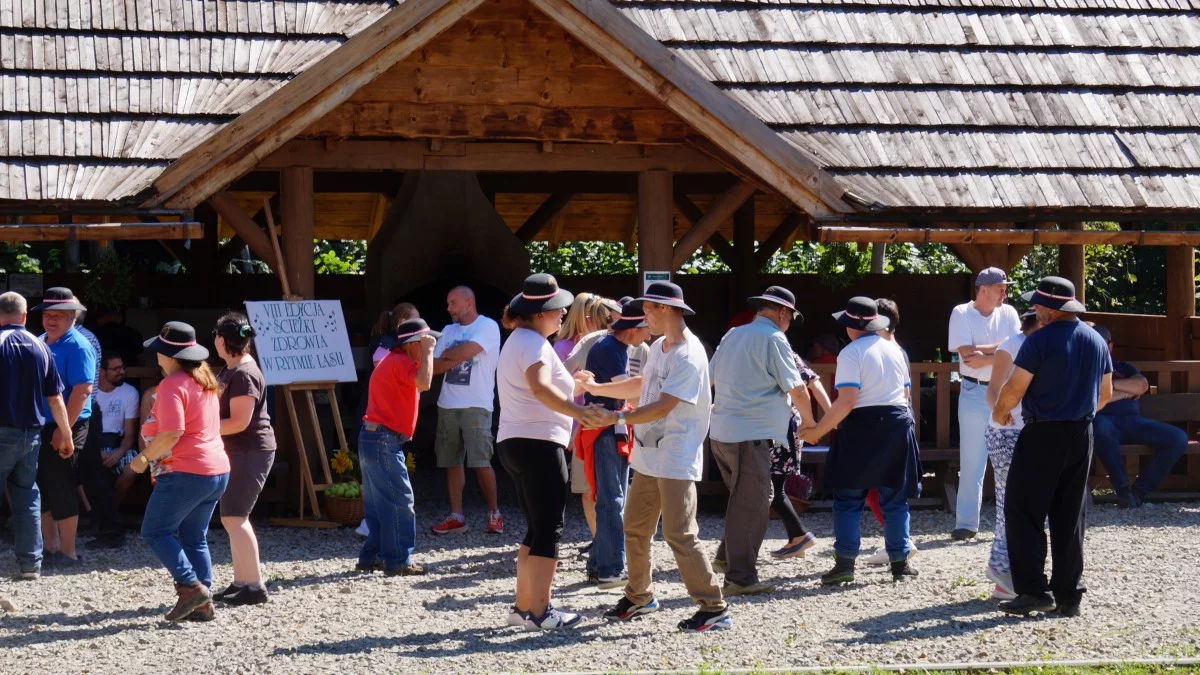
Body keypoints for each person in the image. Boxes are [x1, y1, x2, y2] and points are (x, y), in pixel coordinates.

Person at [594, 281, 731, 633]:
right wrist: (595, 389)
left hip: (676, 457)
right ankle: (639, 596)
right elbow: (642, 388)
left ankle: (713, 607)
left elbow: (663, 405)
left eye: (648, 310)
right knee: (635, 528)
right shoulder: (658, 347)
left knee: (680, 534)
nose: (643, 318)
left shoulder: (689, 353)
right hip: (648, 456)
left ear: (666, 309)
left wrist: (617, 417)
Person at [992, 276, 1112, 617]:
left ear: (1047, 308)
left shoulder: (1039, 341)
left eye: (1036, 305)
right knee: (1070, 515)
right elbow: (1104, 394)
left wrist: (1001, 413)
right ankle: (1069, 595)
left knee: (1023, 511)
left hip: (1042, 432)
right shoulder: (1096, 340)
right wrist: (1077, 413)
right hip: (1082, 432)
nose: (1034, 310)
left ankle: (1032, 590)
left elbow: (1015, 389)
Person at [495, 273, 600, 630]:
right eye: (559, 310)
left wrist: (575, 383)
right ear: (541, 313)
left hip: (516, 441)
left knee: (536, 527)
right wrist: (579, 411)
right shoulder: (534, 344)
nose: (563, 316)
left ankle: (524, 608)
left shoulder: (520, 340)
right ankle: (540, 612)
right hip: (538, 443)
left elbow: (547, 384)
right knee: (548, 529)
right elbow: (540, 388)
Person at [801, 297, 921, 585]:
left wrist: (818, 430)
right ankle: (899, 563)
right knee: (894, 497)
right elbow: (905, 395)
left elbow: (847, 401)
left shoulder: (851, 353)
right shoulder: (895, 350)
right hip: (897, 423)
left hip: (861, 427)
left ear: (849, 326)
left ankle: (844, 563)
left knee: (848, 497)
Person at [708, 286, 810, 595]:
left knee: (745, 501)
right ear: (782, 313)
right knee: (752, 505)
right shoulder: (773, 338)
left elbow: (709, 378)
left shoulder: (733, 335)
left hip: (722, 431)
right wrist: (813, 424)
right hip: (750, 434)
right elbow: (797, 388)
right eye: (791, 317)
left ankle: (727, 560)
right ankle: (740, 577)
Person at [133, 322, 231, 622]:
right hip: (216, 470)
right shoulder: (205, 381)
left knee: (154, 531)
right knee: (194, 536)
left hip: (186, 471)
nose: (156, 357)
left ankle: (191, 588)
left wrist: (142, 459)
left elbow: (173, 432)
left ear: (169, 356)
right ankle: (202, 603)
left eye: (159, 352)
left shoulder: (173, 384)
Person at [573, 300, 651, 588]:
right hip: (604, 429)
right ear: (634, 329)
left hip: (612, 426)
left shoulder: (615, 347)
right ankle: (609, 568)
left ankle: (598, 564)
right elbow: (629, 389)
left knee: (612, 498)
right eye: (647, 327)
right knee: (611, 499)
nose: (650, 334)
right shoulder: (609, 349)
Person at [0, 292, 74, 580]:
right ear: (25, 316)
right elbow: (55, 397)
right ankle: (31, 564)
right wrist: (66, 434)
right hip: (31, 434)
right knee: (27, 494)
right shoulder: (41, 347)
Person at [357, 318, 438, 577]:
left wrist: (425, 351)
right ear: (413, 344)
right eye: (424, 342)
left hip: (372, 437)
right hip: (383, 439)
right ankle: (398, 561)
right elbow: (424, 383)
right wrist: (428, 351)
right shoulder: (402, 362)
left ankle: (373, 556)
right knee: (400, 500)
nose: (429, 345)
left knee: (378, 503)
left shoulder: (392, 361)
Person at [948, 267, 1021, 541]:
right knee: (972, 460)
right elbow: (968, 356)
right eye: (1000, 287)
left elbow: (1018, 350)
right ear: (983, 289)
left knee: (1013, 457)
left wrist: (988, 353)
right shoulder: (961, 312)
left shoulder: (1010, 312)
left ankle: (1013, 521)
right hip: (973, 391)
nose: (1005, 292)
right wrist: (1002, 350)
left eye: (1005, 287)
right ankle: (966, 524)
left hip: (1008, 391)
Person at [211, 313, 277, 606]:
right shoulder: (232, 369)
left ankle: (254, 585)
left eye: (215, 335)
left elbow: (239, 422)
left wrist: (200, 430)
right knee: (232, 517)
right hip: (239, 451)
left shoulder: (244, 374)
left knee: (235, 517)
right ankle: (241, 581)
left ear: (223, 340)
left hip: (251, 450)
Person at [430, 286, 503, 536]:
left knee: (481, 461)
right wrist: (457, 355)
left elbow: (459, 353)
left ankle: (494, 513)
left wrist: (451, 355)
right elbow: (433, 367)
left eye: (453, 303)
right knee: (451, 462)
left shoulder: (488, 326)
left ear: (468, 303)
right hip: (447, 404)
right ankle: (457, 516)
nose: (448, 308)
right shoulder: (449, 330)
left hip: (477, 404)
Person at [1091, 324, 1189, 508]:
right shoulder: (1084, 369)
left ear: (1110, 346)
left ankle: (1138, 492)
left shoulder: (1123, 367)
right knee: (1101, 430)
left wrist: (1109, 386)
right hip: (1102, 420)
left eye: (1101, 343)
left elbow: (1142, 385)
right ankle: (1122, 489)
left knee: (1178, 438)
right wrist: (1126, 392)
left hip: (1132, 421)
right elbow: (1092, 401)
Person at [32, 287, 97, 566]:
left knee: (61, 483)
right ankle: (50, 546)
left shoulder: (78, 345)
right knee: (41, 485)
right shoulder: (38, 341)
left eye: (59, 315)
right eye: (48, 314)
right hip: (38, 423)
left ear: (73, 317)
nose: (51, 320)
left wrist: (64, 429)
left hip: (68, 423)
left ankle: (68, 552)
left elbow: (82, 391)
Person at [983, 307, 1042, 600]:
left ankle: (1002, 569)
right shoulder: (1011, 345)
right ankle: (1003, 571)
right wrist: (1000, 412)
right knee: (1011, 504)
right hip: (1006, 432)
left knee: (1022, 505)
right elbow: (993, 388)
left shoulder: (1043, 344)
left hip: (1032, 429)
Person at [860, 298, 919, 565]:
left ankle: (901, 541)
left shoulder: (881, 349)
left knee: (878, 488)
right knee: (886, 489)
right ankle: (897, 540)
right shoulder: (897, 349)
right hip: (902, 423)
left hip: (884, 426)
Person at [766, 352, 829, 559]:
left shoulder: (777, 351)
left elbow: (810, 384)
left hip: (780, 429)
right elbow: (813, 381)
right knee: (773, 488)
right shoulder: (785, 353)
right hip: (783, 427)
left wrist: (824, 421)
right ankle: (797, 536)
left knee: (771, 488)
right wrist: (828, 418)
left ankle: (799, 536)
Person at [94, 351, 141, 503]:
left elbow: (130, 434)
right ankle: (93, 512)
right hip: (92, 444)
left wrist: (120, 452)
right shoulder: (89, 392)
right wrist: (96, 450)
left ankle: (112, 509)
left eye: (123, 367)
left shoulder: (130, 392)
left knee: (133, 466)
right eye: (116, 369)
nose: (122, 372)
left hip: (117, 444)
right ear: (102, 372)